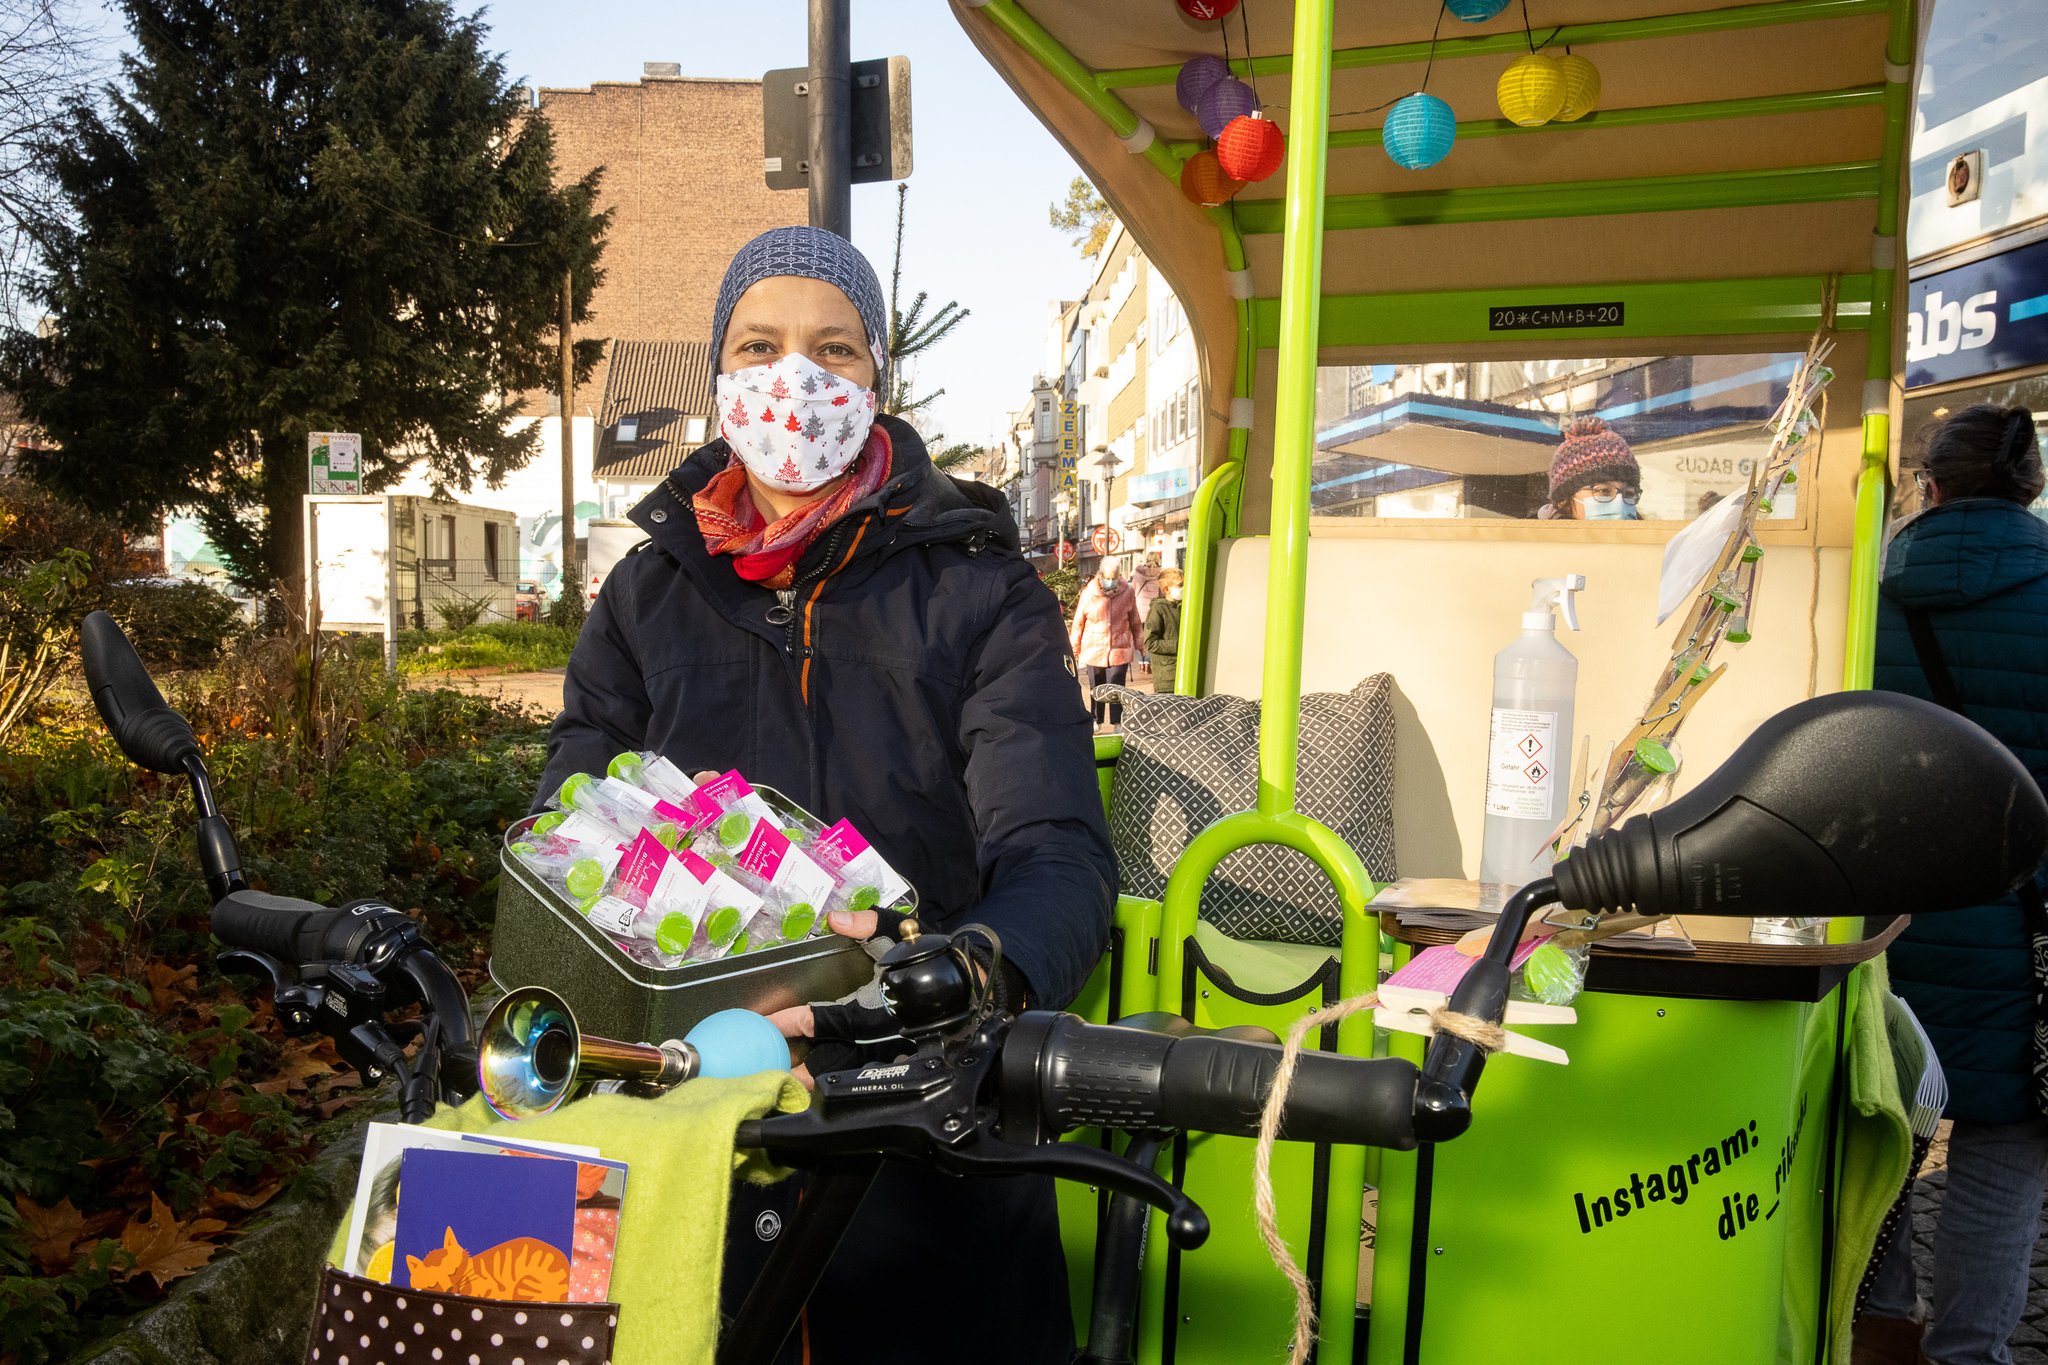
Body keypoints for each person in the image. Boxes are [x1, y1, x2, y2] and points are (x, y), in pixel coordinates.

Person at [535, 225, 1115, 1365]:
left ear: (876, 384)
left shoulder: (979, 594)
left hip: (917, 1129)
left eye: (833, 350)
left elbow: (1055, 851)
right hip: (684, 1111)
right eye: (758, 344)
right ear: (717, 381)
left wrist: (968, 973)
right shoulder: (646, 597)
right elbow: (573, 808)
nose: (792, 380)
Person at [1858, 404, 2048, 1365]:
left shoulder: (1866, 588)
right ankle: (1970, 1351)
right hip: (2028, 926)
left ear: (1928, 486)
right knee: (2005, 1136)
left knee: (1884, 1113)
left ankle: (1879, 1321)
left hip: (1887, 916)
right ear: (2032, 488)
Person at [1069, 556, 1145, 732]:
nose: (1110, 581)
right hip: (1094, 647)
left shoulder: (1128, 591)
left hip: (1120, 647)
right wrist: (1075, 648)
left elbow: (1135, 620)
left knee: (1117, 686)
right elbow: (1079, 621)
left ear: (1119, 575)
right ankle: (1096, 719)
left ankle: (1118, 721)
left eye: (1114, 577)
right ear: (1100, 574)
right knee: (1097, 686)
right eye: (1107, 577)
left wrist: (1141, 645)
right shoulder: (1089, 592)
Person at [1541, 415, 1642, 520]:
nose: (1620, 503)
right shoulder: (1531, 535)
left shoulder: (1650, 535)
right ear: (1564, 502)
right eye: (1603, 491)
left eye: (1629, 493)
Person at [1144, 567, 1183, 696]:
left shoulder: (1183, 607)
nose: (1184, 588)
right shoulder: (1158, 609)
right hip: (1167, 678)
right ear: (1167, 589)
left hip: (1181, 673)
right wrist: (1178, 646)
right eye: (1180, 585)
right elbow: (1150, 642)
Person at [1130, 550, 1164, 673]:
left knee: (1139, 637)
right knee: (1151, 636)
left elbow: (1132, 591)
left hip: (1139, 610)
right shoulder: (1160, 574)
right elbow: (1162, 594)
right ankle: (1148, 663)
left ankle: (1141, 662)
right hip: (1153, 610)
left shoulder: (1138, 574)